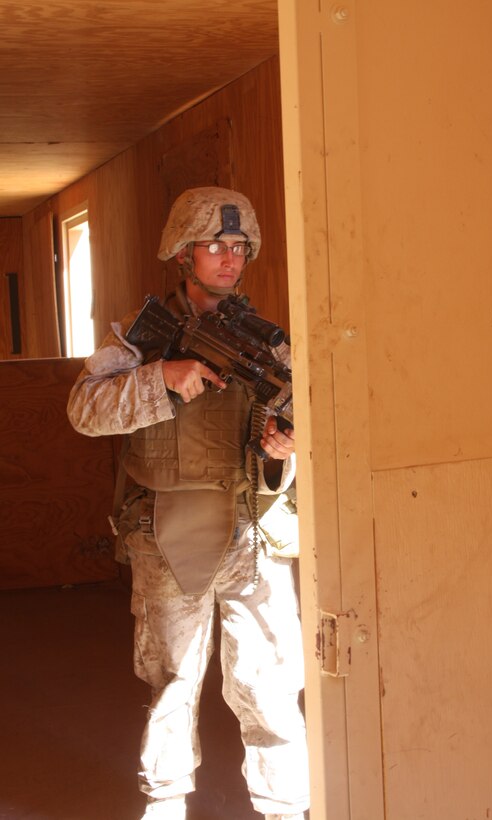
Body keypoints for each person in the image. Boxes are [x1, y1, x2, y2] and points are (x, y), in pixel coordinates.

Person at [67, 187, 309, 820]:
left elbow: (302, 418)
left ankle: (286, 805)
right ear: (182, 253)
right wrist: (162, 378)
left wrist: (285, 443)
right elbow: (83, 410)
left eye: (239, 248)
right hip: (169, 536)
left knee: (271, 684)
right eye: (213, 246)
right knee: (174, 684)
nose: (228, 260)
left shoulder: (272, 344)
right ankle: (167, 803)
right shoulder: (143, 340)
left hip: (255, 534)